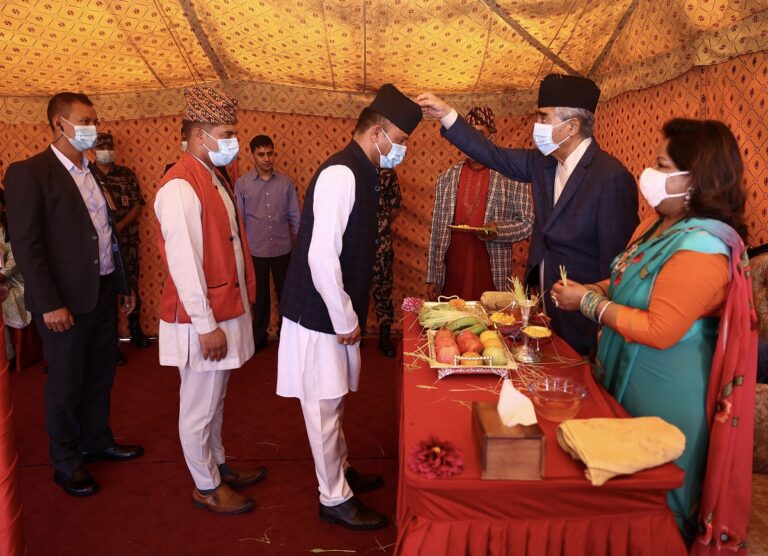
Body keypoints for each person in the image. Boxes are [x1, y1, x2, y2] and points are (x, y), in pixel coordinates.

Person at [551, 119, 756, 551]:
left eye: (662, 165)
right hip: (622, 379)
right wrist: (594, 288)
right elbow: (627, 280)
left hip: (664, 396)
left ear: (696, 179)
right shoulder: (657, 224)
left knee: (652, 505)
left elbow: (661, 329)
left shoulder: (702, 247)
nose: (650, 172)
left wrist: (587, 304)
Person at [277, 84, 422, 530]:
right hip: (319, 314)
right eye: (400, 140)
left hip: (334, 311)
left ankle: (340, 469)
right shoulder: (342, 173)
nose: (402, 150)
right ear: (377, 132)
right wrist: (345, 319)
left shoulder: (363, 170)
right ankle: (333, 498)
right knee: (323, 407)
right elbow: (322, 256)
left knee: (334, 399)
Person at [417, 74, 638, 356]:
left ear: (572, 126)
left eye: (544, 117)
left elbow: (618, 264)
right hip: (542, 307)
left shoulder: (610, 177)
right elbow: (492, 154)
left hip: (582, 314)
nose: (537, 125)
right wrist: (447, 114)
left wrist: (601, 318)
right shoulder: (544, 163)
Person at [3, 92, 143, 497]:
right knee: (65, 382)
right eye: (84, 121)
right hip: (63, 302)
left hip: (102, 290)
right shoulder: (29, 173)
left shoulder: (91, 171)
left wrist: (123, 286)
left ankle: (97, 440)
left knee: (101, 372)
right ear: (58, 124)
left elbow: (106, 234)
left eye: (94, 121)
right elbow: (27, 246)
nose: (92, 129)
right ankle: (66, 462)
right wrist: (49, 303)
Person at [154, 87, 267, 515]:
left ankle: (217, 465)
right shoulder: (180, 186)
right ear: (199, 136)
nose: (234, 140)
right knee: (198, 407)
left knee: (215, 400)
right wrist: (205, 326)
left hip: (222, 311)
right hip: (202, 321)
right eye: (227, 133)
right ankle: (205, 486)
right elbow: (184, 264)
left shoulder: (213, 175)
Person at [425, 106, 533, 301]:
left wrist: (497, 230)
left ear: (491, 137)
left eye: (480, 134)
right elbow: (437, 230)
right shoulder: (447, 178)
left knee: (489, 319)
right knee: (453, 318)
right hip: (452, 273)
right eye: (469, 134)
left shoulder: (511, 176)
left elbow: (526, 224)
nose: (472, 141)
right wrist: (432, 276)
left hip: (491, 273)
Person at [234, 135, 300, 351]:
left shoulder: (285, 183)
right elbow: (239, 220)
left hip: (283, 248)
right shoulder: (242, 184)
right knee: (260, 295)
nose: (266, 159)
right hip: (256, 250)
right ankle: (259, 335)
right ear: (252, 155)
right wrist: (240, 250)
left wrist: (301, 245)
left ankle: (287, 334)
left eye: (270, 153)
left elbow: (294, 216)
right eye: (261, 154)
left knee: (286, 294)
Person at [91, 132, 151, 359]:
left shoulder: (126, 174)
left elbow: (138, 205)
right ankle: (111, 342)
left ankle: (135, 330)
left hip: (127, 242)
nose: (106, 151)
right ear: (93, 150)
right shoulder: (88, 176)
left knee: (130, 285)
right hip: (99, 246)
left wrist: (119, 227)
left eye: (110, 146)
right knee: (106, 293)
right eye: (101, 147)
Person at [372, 168, 402, 357]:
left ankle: (385, 337)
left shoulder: (387, 173)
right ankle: (355, 334)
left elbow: (396, 206)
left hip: (381, 245)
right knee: (353, 289)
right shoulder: (350, 170)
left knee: (383, 289)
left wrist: (381, 225)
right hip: (355, 244)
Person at [0, 189, 32, 363]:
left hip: (15, 279)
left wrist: (2, 275)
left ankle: (5, 356)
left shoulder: (13, 228)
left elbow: (16, 260)